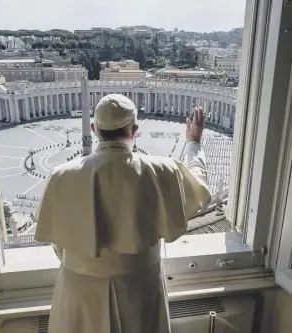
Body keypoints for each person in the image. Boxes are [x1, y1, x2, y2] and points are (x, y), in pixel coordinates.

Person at [35, 94, 211, 333]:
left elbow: (58, 243)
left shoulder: (61, 175)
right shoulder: (162, 170)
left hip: (78, 289)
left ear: (94, 129)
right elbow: (199, 189)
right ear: (135, 129)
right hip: (138, 287)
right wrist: (193, 143)